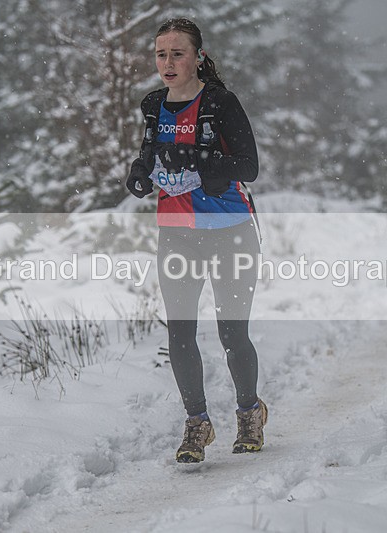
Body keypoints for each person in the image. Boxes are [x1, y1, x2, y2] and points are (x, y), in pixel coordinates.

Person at [125, 17, 267, 464]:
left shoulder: (221, 103)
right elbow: (149, 154)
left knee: (231, 333)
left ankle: (249, 412)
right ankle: (197, 423)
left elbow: (247, 167)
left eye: (177, 53)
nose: (167, 63)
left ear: (198, 57)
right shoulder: (152, 105)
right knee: (180, 333)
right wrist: (139, 173)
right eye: (160, 54)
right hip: (176, 236)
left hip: (230, 233)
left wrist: (201, 166)